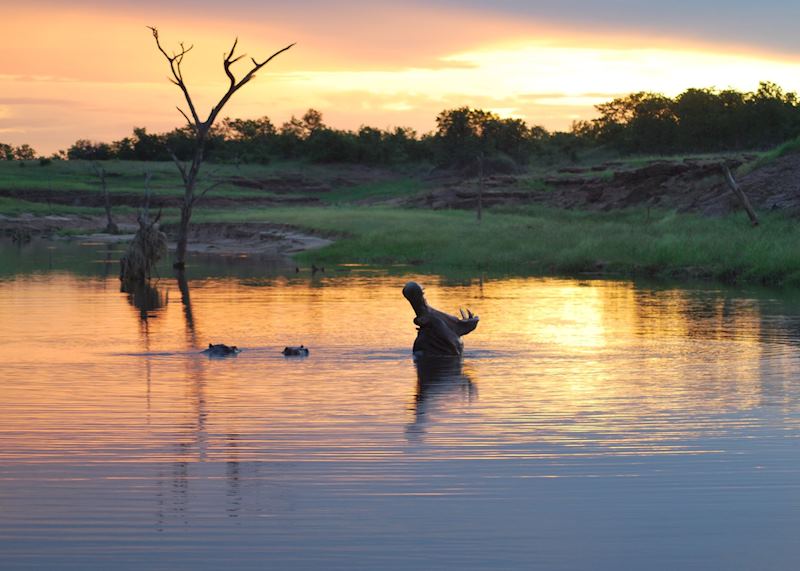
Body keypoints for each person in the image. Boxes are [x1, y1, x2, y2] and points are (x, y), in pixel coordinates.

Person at [402, 281, 479, 356]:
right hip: (445, 359)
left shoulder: (430, 316)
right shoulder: (433, 320)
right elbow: (457, 330)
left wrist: (464, 324)